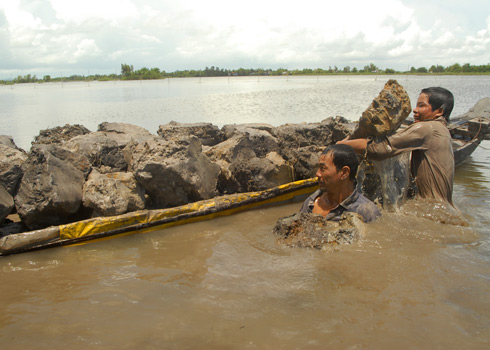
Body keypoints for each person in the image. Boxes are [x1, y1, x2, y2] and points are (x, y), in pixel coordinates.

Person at [338, 87, 455, 205]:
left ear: (439, 112)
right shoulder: (442, 130)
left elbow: (380, 149)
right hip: (443, 206)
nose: (415, 110)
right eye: (416, 105)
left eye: (421, 106)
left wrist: (342, 144)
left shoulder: (427, 128)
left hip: (431, 207)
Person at [300, 144, 380, 222]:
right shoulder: (311, 203)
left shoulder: (365, 211)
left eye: (323, 168)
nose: (317, 173)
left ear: (344, 173)